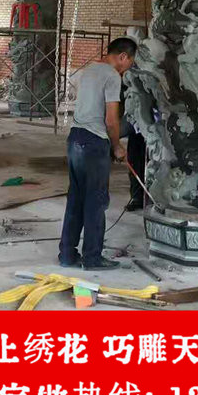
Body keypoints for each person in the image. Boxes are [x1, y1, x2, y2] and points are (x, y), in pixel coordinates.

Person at [58, 37, 137, 270]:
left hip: (75, 139)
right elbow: (111, 120)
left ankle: (67, 255)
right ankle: (92, 258)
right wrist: (117, 146)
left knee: (76, 199)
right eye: (130, 62)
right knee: (96, 201)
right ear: (123, 56)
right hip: (93, 143)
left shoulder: (89, 70)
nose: (128, 68)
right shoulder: (112, 76)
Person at [120, 82, 146, 211]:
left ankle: (149, 197)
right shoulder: (127, 82)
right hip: (136, 129)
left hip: (152, 125)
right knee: (135, 161)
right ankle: (137, 197)